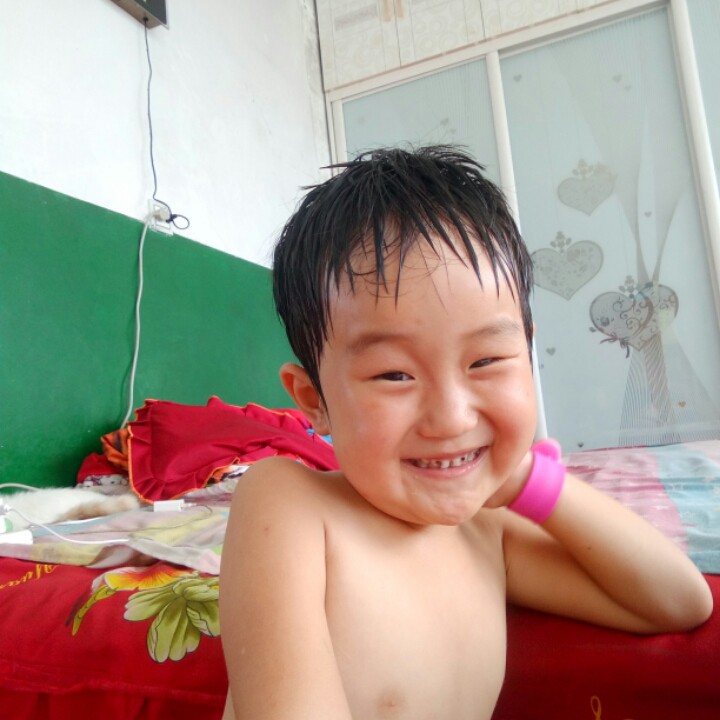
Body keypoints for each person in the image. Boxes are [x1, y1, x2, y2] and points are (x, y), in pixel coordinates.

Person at [219, 145, 712, 720]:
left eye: (486, 361)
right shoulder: (289, 504)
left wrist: (534, 483)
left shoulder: (486, 533)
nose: (453, 418)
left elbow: (679, 601)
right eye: (393, 374)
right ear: (314, 402)